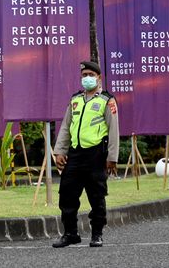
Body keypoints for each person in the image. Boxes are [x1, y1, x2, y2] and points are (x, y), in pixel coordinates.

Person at [52, 61, 119, 248]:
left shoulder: (107, 100)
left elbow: (113, 129)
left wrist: (112, 158)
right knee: (66, 194)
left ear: (99, 77)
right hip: (75, 154)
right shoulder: (75, 99)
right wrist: (59, 151)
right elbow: (66, 126)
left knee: (96, 196)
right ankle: (70, 234)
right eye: (84, 75)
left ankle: (97, 234)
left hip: (96, 154)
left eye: (91, 74)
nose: (87, 78)